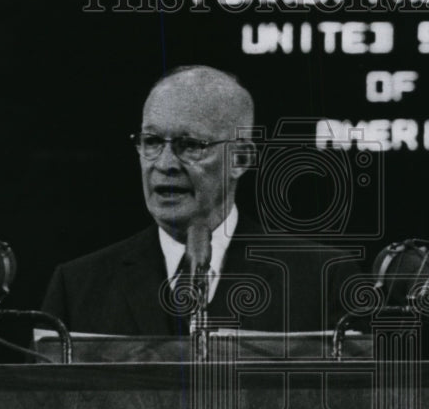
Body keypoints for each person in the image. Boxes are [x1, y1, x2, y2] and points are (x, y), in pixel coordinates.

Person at [42, 65, 360, 336]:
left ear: (240, 158)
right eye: (151, 142)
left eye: (191, 145)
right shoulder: (78, 287)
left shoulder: (322, 280)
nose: (165, 163)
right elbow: (38, 406)